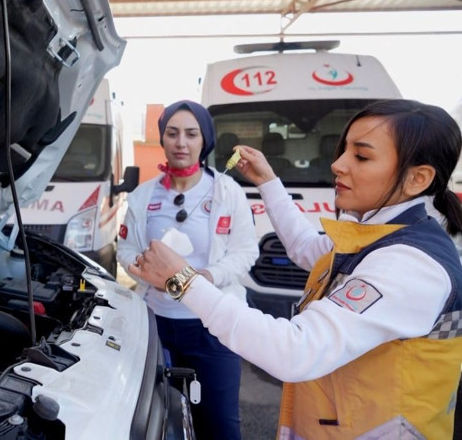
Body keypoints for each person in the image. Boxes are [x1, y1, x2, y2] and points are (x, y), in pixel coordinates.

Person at [130, 99, 462, 439]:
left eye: (361, 156)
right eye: (343, 150)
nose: (337, 164)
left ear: (417, 178)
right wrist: (268, 182)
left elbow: (294, 349)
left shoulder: (411, 265)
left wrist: (185, 282)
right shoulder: (373, 232)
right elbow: (307, 248)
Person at [117, 99, 258, 439]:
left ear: (204, 140)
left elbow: (245, 251)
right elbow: (126, 250)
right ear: (162, 139)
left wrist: (204, 279)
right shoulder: (142, 196)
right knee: (157, 422)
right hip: (155, 325)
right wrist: (148, 272)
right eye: (173, 133)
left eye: (191, 134)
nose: (181, 143)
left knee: (221, 425)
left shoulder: (229, 192)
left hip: (212, 326)